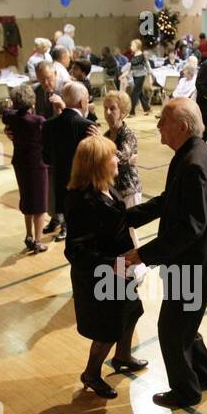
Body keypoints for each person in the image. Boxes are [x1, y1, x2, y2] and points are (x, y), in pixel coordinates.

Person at [122, 99, 207, 409]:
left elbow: (189, 227)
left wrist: (142, 254)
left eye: (164, 121)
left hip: (193, 269)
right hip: (200, 265)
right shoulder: (197, 154)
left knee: (171, 331)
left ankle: (186, 391)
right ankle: (206, 374)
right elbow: (169, 201)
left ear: (182, 126)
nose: (158, 126)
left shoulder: (195, 164)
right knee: (185, 327)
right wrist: (129, 216)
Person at [62, 136, 146, 399]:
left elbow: (123, 219)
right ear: (97, 163)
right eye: (112, 156)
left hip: (121, 267)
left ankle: (122, 356)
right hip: (101, 274)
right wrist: (110, 265)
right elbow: (74, 250)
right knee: (107, 329)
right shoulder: (81, 201)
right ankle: (91, 373)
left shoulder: (108, 188)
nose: (117, 159)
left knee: (131, 312)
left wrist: (163, 205)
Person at [42, 83, 99, 244]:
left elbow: (45, 157)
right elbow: (96, 160)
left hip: (58, 184)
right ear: (82, 102)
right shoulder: (87, 126)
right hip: (83, 188)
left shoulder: (48, 125)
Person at [2, 84, 49, 254]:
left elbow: (6, 112)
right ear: (33, 102)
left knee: (27, 199)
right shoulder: (38, 121)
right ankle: (38, 240)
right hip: (37, 164)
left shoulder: (11, 117)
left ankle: (29, 235)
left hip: (20, 162)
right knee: (40, 204)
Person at [103, 90, 141, 213]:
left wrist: (103, 144)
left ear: (123, 112)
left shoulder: (128, 134)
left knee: (130, 229)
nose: (108, 112)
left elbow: (123, 157)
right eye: (105, 108)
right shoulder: (106, 135)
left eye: (112, 108)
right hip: (112, 188)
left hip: (129, 189)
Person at [127, 39, 151, 116]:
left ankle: (132, 111)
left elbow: (147, 66)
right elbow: (132, 66)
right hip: (135, 76)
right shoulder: (134, 55)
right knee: (139, 93)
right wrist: (127, 74)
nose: (131, 47)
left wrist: (150, 77)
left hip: (141, 75)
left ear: (137, 46)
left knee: (134, 93)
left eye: (133, 45)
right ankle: (147, 108)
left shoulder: (142, 55)